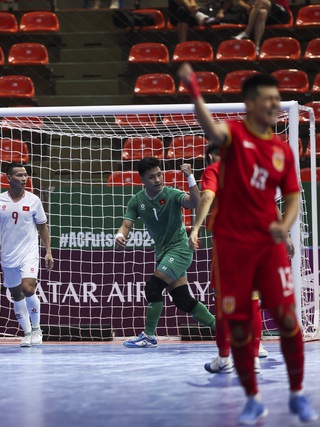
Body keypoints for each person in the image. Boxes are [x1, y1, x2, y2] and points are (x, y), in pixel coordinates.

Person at [178, 62, 318, 424]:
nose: (275, 104)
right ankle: (252, 397)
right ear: (251, 104)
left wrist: (284, 227)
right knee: (238, 323)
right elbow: (208, 126)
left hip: (267, 245)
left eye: (278, 99)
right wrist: (194, 91)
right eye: (268, 99)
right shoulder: (233, 138)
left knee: (287, 319)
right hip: (231, 248)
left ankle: (298, 393)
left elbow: (291, 199)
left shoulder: (283, 152)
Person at [188, 144, 273, 375]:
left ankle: (225, 357)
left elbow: (206, 196)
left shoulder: (214, 169)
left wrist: (195, 228)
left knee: (223, 301)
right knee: (252, 299)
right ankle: (253, 359)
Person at [116, 157, 216, 348]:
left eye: (159, 174)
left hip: (180, 248)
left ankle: (149, 335)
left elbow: (195, 202)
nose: (158, 179)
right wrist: (120, 235)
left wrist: (190, 178)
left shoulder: (172, 194)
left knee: (153, 287)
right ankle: (223, 329)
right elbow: (126, 224)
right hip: (162, 252)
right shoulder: (137, 201)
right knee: (183, 300)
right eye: (152, 177)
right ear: (143, 180)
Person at [0, 163, 54, 347]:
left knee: (29, 288)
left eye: (25, 175)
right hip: (8, 254)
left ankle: (37, 330)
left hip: (29, 252)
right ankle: (27, 332)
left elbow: (42, 227)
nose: (24, 178)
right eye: (19, 175)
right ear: (8, 178)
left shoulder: (33, 200)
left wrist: (48, 252)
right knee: (16, 294)